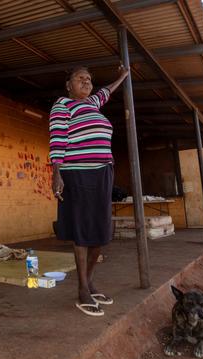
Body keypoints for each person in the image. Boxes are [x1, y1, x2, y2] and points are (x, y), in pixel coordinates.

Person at [49, 65, 129, 316]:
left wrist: (123, 77)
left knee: (102, 229)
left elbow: (107, 91)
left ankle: (90, 283)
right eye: (80, 78)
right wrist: (56, 172)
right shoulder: (63, 105)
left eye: (89, 79)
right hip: (77, 171)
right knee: (83, 230)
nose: (86, 81)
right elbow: (57, 137)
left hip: (103, 172)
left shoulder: (93, 104)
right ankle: (83, 289)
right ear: (68, 85)